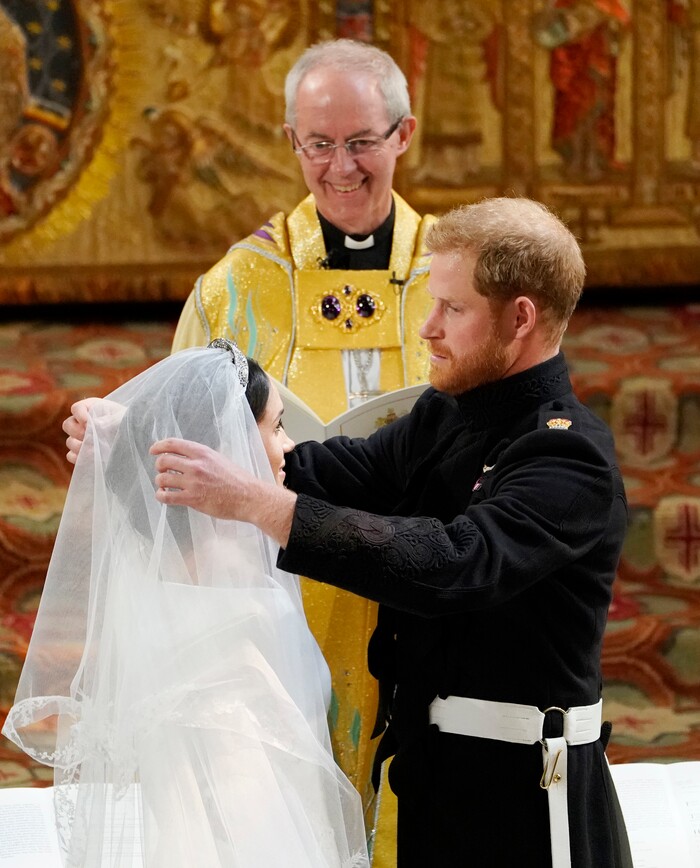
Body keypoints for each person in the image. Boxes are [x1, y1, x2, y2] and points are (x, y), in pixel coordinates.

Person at [147, 198, 634, 868]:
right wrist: (136, 441)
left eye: (453, 309)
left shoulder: (567, 457)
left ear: (520, 318)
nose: (428, 328)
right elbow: (335, 471)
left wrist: (259, 504)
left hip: (526, 797)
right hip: (436, 780)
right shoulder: (450, 413)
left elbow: (451, 565)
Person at [170, 37, 436, 814]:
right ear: (292, 141)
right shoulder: (236, 287)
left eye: (361, 142)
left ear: (404, 136)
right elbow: (179, 436)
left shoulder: (460, 273)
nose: (340, 167)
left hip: (429, 577)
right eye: (319, 144)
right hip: (285, 585)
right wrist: (115, 433)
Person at [5, 340, 369, 868]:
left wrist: (133, 431)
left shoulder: (172, 551)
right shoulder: (231, 568)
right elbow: (240, 792)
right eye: (276, 427)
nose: (289, 447)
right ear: (229, 443)